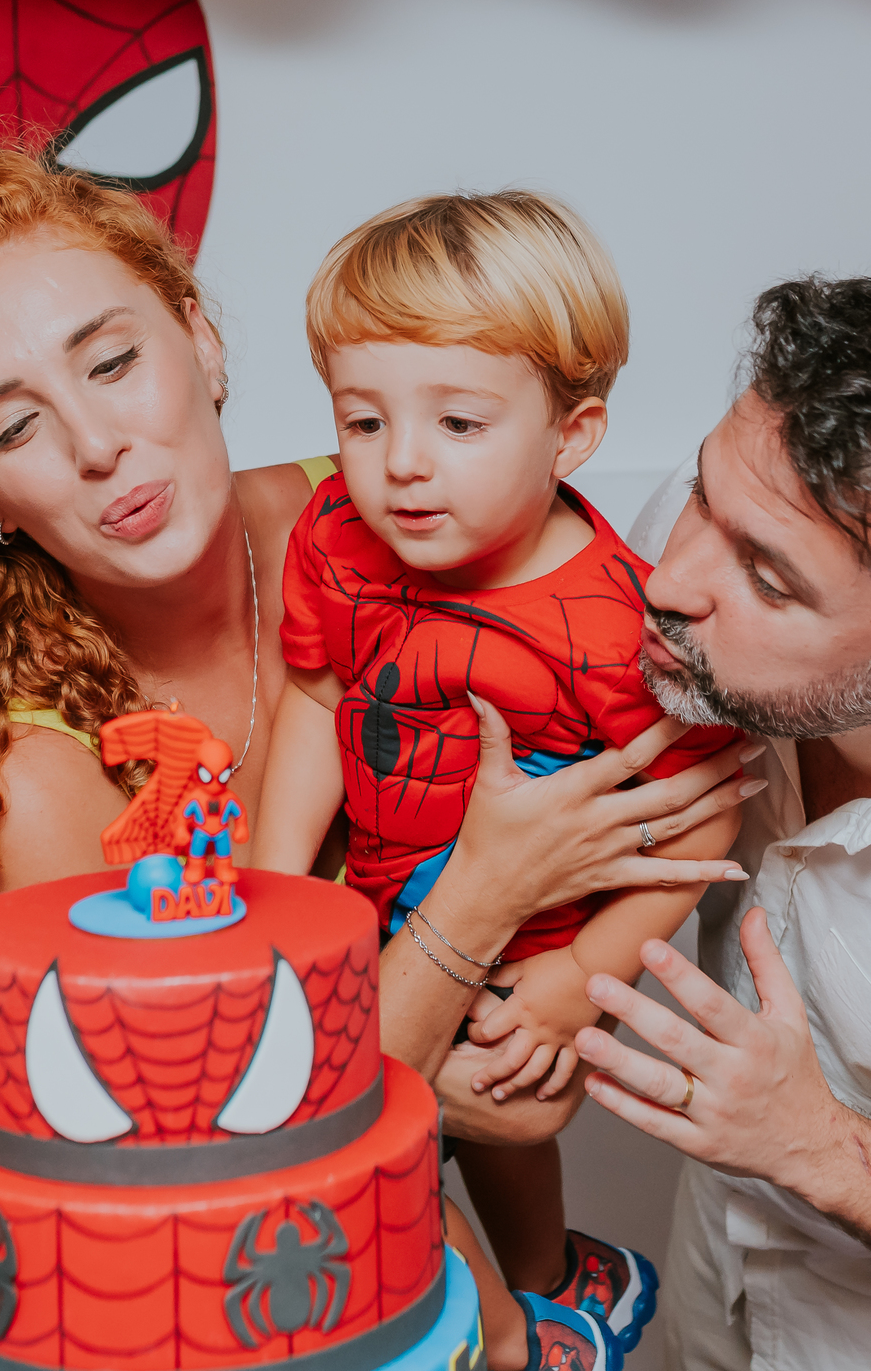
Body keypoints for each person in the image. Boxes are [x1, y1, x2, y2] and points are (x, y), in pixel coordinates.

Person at [0, 147, 758, 1201]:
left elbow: (521, 1094)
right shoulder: (7, 778)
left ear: (201, 338)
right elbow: (205, 1134)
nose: (97, 445)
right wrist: (487, 892)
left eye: (111, 363)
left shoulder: (396, 508)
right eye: (12, 426)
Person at [252, 191, 746, 1371]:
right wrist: (271, 892)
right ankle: (513, 1302)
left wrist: (582, 976)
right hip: (381, 894)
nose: (402, 467)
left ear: (572, 434)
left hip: (535, 939)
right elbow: (315, 700)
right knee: (361, 1154)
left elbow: (704, 805)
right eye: (362, 421)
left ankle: (553, 1294)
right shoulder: (332, 532)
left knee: (491, 1119)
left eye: (459, 424)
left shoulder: (620, 621)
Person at [564, 269, 871, 1370]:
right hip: (704, 1301)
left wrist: (812, 1143)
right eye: (699, 495)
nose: (670, 579)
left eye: (770, 581)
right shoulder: (710, 570)